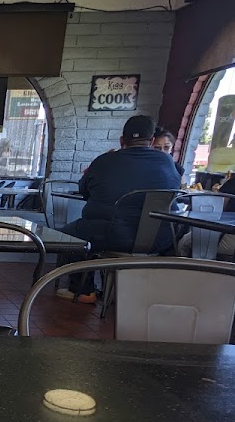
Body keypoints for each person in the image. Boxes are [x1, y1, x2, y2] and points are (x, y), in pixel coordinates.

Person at [58, 114, 183, 302]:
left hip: (112, 236)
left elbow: (84, 190)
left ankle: (83, 291)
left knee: (68, 236)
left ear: (122, 140)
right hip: (158, 240)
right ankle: (151, 295)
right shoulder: (167, 162)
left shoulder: (104, 161)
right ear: (151, 141)